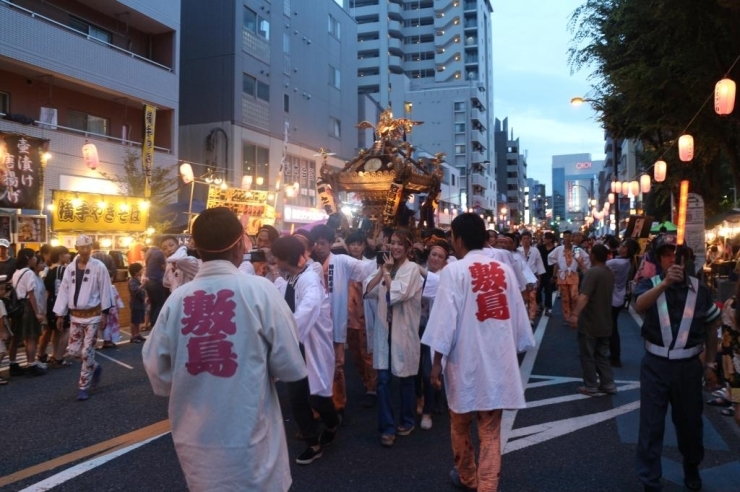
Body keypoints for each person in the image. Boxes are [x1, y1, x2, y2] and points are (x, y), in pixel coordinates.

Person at [142, 207, 307, 492]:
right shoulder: (260, 291)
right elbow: (290, 365)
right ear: (238, 245)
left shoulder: (177, 300)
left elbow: (158, 374)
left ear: (196, 247)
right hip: (252, 441)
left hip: (196, 443)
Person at [422, 213, 535, 492]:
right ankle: (487, 486)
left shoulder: (454, 271)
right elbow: (519, 320)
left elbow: (444, 322)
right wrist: (514, 350)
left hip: (464, 362)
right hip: (497, 363)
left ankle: (467, 477)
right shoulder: (504, 270)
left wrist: (436, 363)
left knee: (460, 424)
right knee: (490, 431)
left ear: (458, 239)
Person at [634, 233, 721, 492]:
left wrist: (711, 364)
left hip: (688, 367)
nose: (673, 260)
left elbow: (712, 327)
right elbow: (639, 305)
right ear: (660, 260)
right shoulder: (650, 284)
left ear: (686, 260)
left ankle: (692, 466)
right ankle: (650, 479)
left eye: (677, 255)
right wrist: (662, 285)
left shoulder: (701, 289)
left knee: (690, 424)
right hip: (655, 364)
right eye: (667, 255)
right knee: (650, 425)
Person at [271, 236, 341, 465]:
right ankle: (313, 443)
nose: (274, 261)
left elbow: (307, 309)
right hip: (296, 345)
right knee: (297, 397)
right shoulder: (290, 277)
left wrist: (284, 337)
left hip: (308, 344)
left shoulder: (309, 278)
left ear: (285, 258)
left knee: (317, 398)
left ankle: (332, 422)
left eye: (276, 257)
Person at [364, 228, 423, 447]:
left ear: (408, 247)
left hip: (403, 332)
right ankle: (387, 428)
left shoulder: (412, 270)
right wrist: (382, 271)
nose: (395, 247)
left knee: (406, 379)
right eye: (392, 243)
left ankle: (407, 420)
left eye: (400, 243)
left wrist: (388, 274)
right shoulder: (384, 267)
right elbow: (368, 290)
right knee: (383, 381)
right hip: (384, 330)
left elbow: (398, 294)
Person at [311, 224, 372, 420]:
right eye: (316, 243)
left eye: (323, 243)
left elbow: (366, 269)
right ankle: (319, 406)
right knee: (316, 365)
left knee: (337, 365)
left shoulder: (342, 261)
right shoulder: (308, 265)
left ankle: (338, 406)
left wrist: (383, 259)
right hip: (315, 325)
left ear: (331, 243)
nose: (319, 247)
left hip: (334, 323)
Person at [54, 235, 113, 400]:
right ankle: (95, 367)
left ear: (91, 247)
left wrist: (105, 313)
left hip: (93, 316)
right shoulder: (70, 268)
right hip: (75, 317)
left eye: (88, 247)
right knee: (73, 351)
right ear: (76, 248)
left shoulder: (99, 266)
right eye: (82, 247)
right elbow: (64, 291)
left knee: (87, 352)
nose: (85, 250)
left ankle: (83, 387)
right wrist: (60, 314)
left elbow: (105, 290)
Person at [567, 244, 617, 396]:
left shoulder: (593, 273)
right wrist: (582, 265)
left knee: (587, 355)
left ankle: (591, 386)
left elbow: (585, 295)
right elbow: (592, 279)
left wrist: (575, 315)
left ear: (594, 256)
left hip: (590, 322)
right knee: (601, 355)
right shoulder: (608, 272)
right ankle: (608, 384)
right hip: (606, 321)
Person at [344, 230, 378, 408]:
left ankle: (372, 387)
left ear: (364, 246)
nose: (355, 247)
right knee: (355, 354)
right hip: (349, 318)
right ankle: (366, 381)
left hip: (365, 316)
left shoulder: (370, 265)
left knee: (368, 354)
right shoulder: (343, 264)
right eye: (352, 244)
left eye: (359, 244)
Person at [7, 248, 45, 377]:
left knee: (16, 336)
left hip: (17, 307)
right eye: (34, 257)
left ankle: (12, 364)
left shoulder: (17, 272)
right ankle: (32, 365)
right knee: (31, 337)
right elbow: (31, 295)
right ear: (28, 258)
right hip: (27, 307)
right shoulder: (28, 273)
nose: (35, 259)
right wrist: (38, 313)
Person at [606, 238, 639, 367]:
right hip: (619, 298)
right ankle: (614, 355)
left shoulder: (616, 262)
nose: (620, 246)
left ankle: (615, 357)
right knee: (612, 327)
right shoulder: (626, 262)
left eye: (623, 245)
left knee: (611, 329)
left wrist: (576, 251)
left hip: (613, 299)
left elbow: (596, 265)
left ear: (627, 249)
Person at [39, 246, 71, 367]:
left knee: (56, 330)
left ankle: (54, 355)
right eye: (67, 254)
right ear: (60, 255)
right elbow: (60, 289)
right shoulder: (61, 270)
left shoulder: (49, 269)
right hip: (59, 303)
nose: (69, 256)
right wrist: (62, 307)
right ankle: (59, 357)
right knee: (66, 329)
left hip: (51, 303)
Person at [548, 230, 588, 323]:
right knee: (565, 297)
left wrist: (583, 269)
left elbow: (581, 260)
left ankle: (574, 314)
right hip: (562, 275)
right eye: (566, 236)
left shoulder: (576, 249)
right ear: (563, 237)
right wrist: (557, 266)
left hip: (573, 274)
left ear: (572, 238)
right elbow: (551, 258)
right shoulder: (559, 249)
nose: (568, 238)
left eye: (569, 237)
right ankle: (567, 316)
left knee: (574, 295)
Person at [143, 245, 168, 327]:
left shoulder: (150, 254)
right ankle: (155, 323)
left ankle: (152, 324)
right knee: (160, 304)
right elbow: (164, 268)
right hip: (156, 282)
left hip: (149, 282)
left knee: (154, 304)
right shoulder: (159, 253)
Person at [537, 231, 557, 316]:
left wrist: (554, 275)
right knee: (538, 289)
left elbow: (556, 263)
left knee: (549, 291)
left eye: (546, 238)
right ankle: (540, 304)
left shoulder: (556, 249)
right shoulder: (540, 248)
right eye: (544, 238)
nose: (544, 239)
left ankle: (548, 308)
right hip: (540, 272)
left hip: (550, 272)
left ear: (550, 239)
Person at [128, 263, 146, 343]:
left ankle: (137, 334)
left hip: (139, 302)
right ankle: (133, 335)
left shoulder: (136, 279)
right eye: (141, 270)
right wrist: (143, 284)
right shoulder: (132, 280)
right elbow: (135, 290)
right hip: (135, 303)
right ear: (136, 272)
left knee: (138, 320)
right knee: (134, 320)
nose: (142, 271)